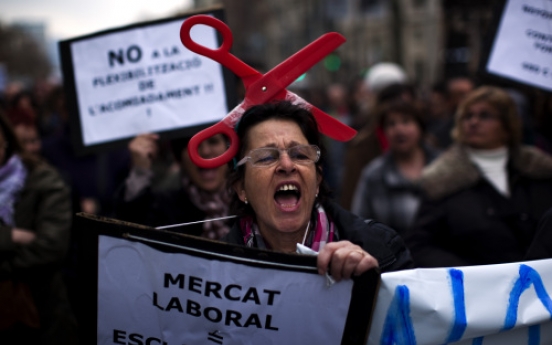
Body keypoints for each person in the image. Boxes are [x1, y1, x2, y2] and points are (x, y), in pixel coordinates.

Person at [225, 101, 413, 280]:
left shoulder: (382, 247)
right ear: (242, 188)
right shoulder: (214, 268)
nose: (287, 165)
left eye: (300, 154)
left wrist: (371, 283)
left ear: (318, 178)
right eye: (266, 157)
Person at [405, 86, 552, 267]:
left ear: (507, 125)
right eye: (468, 116)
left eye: (485, 116)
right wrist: (470, 273)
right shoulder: (442, 179)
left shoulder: (539, 170)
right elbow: (420, 245)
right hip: (476, 289)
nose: (474, 122)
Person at [0, 113, 77, 344]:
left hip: (41, 313)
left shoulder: (43, 180)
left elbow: (50, 248)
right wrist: (9, 236)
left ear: (5, 139)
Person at [114, 133, 231, 240]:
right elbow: (130, 225)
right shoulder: (164, 208)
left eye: (213, 141)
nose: (205, 151)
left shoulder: (246, 202)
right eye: (193, 143)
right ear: (179, 158)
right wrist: (140, 170)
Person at [351, 100, 439, 235]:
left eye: (406, 121)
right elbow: (360, 224)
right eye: (391, 124)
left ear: (420, 127)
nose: (399, 130)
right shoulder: (374, 174)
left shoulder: (442, 166)